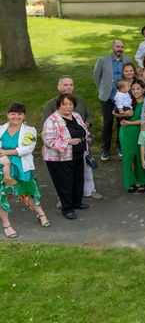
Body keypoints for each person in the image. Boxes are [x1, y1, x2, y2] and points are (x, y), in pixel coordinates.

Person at [0, 103, 48, 237]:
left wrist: (6, 152)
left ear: (24, 115)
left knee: (26, 192)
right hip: (2, 166)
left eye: (19, 114)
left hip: (21, 166)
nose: (16, 116)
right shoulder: (0, 129)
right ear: (8, 115)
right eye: (13, 113)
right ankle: (6, 225)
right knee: (1, 195)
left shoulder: (30, 131)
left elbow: (28, 148)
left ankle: (41, 214)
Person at [42, 95, 91, 220]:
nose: (68, 107)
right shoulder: (52, 120)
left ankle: (77, 203)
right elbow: (48, 140)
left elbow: (83, 130)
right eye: (65, 104)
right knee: (65, 184)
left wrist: (87, 136)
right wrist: (68, 142)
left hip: (78, 155)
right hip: (60, 159)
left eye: (70, 104)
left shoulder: (76, 115)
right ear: (59, 105)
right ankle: (67, 209)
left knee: (78, 180)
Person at [93, 39, 132, 160]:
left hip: (123, 98)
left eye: (121, 47)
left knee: (122, 124)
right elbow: (96, 75)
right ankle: (105, 149)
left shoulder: (127, 60)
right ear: (112, 47)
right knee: (108, 123)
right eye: (117, 46)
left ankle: (120, 146)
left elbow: (130, 74)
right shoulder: (102, 60)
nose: (119, 49)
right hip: (107, 97)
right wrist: (102, 89)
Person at [119, 81, 145, 193]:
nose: (136, 91)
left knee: (140, 157)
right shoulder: (128, 101)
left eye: (138, 89)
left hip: (140, 132)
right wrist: (121, 115)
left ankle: (143, 180)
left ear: (143, 89)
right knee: (127, 158)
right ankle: (129, 182)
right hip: (126, 132)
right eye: (133, 89)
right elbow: (114, 111)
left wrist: (130, 123)